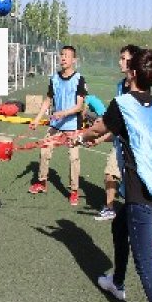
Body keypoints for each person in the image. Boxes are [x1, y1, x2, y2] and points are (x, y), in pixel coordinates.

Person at [76, 48, 152, 302]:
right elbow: (117, 130)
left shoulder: (122, 103)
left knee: (145, 264)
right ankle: (117, 282)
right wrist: (95, 136)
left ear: (132, 73)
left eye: (127, 64)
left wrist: (79, 136)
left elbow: (99, 128)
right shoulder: (148, 101)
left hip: (141, 191)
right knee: (120, 227)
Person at [29, 46, 87, 206]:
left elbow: (79, 106)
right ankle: (42, 182)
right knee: (44, 151)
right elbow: (48, 100)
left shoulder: (79, 79)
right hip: (56, 125)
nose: (63, 58)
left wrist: (63, 113)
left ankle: (74, 191)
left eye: (67, 55)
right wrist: (37, 119)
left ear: (74, 60)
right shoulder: (54, 78)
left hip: (72, 126)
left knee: (74, 158)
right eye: (62, 55)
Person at [93, 44, 140, 221]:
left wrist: (98, 135)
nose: (120, 62)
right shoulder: (120, 86)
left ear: (133, 61)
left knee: (133, 182)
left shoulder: (140, 86)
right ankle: (109, 207)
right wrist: (99, 136)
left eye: (123, 58)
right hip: (119, 139)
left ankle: (134, 210)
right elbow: (116, 119)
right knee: (110, 172)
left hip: (134, 143)